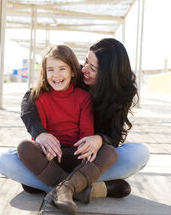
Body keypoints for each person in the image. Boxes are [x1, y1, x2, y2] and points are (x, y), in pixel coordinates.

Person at [0, 38, 150, 204]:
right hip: (53, 157)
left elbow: (114, 136)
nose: (84, 70)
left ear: (107, 74)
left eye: (92, 68)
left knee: (138, 153)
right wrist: (40, 134)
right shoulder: (69, 75)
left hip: (85, 157)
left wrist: (99, 139)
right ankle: (87, 188)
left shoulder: (113, 97)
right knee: (5, 161)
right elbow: (30, 99)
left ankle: (49, 185)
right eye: (85, 62)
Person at [15, 45, 118, 214]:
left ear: (72, 71)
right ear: (44, 72)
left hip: (77, 156)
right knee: (24, 147)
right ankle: (78, 188)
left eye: (62, 69)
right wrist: (42, 147)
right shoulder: (40, 98)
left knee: (110, 152)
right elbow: (41, 138)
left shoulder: (83, 97)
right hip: (52, 156)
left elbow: (86, 134)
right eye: (50, 70)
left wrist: (86, 152)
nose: (56, 75)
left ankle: (60, 188)